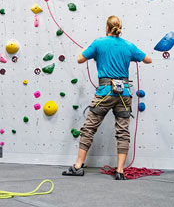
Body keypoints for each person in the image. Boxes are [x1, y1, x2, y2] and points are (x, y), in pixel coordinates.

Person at [63, 16, 152, 180]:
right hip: (124, 94)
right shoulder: (128, 45)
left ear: (107, 27)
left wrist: (92, 50)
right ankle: (120, 171)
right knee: (123, 132)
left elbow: (80, 58)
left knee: (89, 128)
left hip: (105, 92)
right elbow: (148, 59)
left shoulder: (99, 43)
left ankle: (77, 167)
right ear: (119, 28)